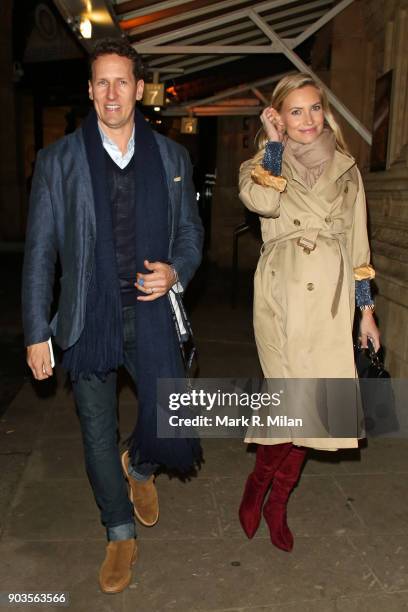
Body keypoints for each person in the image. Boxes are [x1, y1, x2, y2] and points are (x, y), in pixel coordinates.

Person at [22, 39, 203, 593]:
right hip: (88, 316)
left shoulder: (172, 159)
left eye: (121, 81)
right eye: (101, 82)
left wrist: (175, 271)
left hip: (150, 312)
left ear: (140, 89)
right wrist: (36, 333)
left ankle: (141, 466)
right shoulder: (59, 161)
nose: (111, 93)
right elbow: (40, 254)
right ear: (91, 91)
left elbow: (192, 236)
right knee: (96, 432)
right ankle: (118, 532)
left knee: (171, 411)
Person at [237, 73, 380, 552]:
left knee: (314, 413)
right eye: (294, 111)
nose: (307, 119)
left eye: (314, 108)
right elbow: (261, 202)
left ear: (326, 112)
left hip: (333, 303)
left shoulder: (348, 170)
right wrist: (273, 145)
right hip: (283, 297)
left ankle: (277, 499)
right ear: (278, 117)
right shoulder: (261, 165)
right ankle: (258, 486)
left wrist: (366, 313)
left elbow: (360, 244)